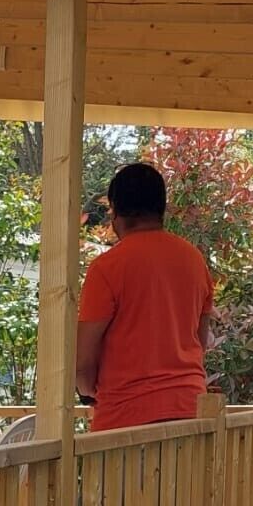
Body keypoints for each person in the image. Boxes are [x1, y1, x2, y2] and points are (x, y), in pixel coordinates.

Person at [75, 162, 214, 432]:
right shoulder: (194, 260)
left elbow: (83, 363)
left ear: (115, 211)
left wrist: (87, 390)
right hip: (191, 412)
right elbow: (200, 339)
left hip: (126, 420)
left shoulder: (107, 268)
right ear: (162, 208)